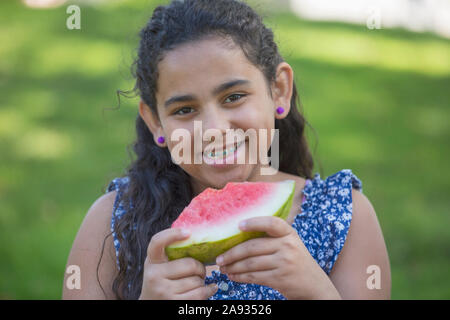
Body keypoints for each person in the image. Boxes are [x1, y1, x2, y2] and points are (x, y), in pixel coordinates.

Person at [63, 0, 390, 300]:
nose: (214, 130)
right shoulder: (113, 219)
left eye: (233, 97)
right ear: (155, 123)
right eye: (185, 110)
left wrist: (318, 292)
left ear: (279, 90)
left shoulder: (343, 215)